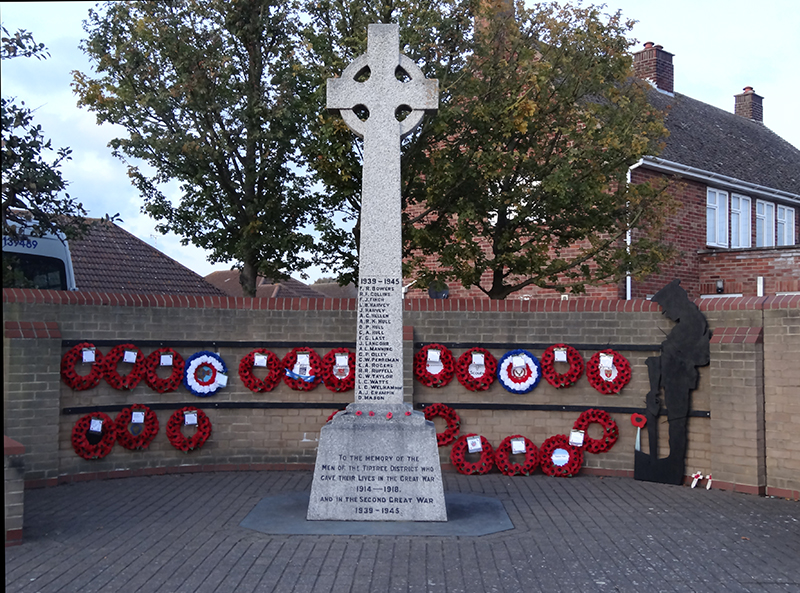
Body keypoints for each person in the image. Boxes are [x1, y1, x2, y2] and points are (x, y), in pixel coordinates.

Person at [635, 279, 711, 485]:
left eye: (666, 307)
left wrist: (668, 349)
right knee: (674, 422)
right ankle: (671, 464)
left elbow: (685, 352)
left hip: (679, 379)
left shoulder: (693, 322)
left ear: (676, 303)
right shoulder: (688, 322)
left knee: (677, 423)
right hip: (672, 378)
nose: (665, 313)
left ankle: (674, 465)